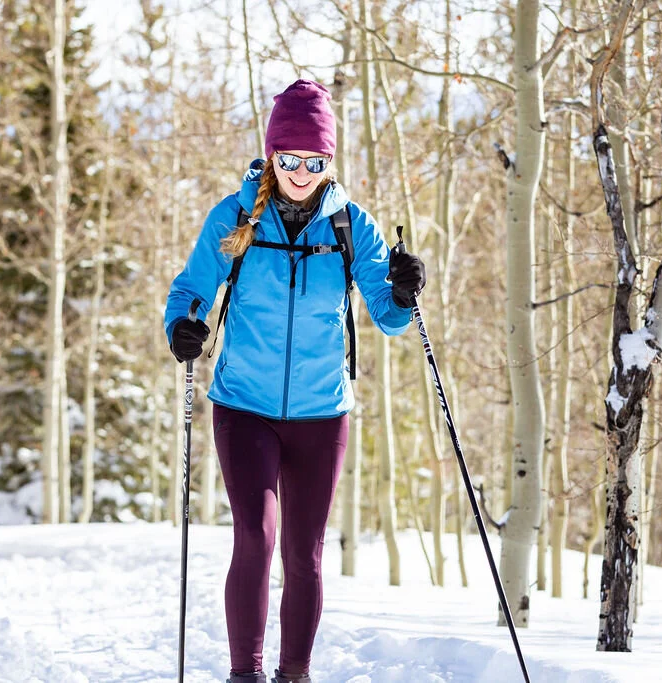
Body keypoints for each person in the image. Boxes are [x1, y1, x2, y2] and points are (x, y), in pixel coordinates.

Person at [164, 79, 426, 683]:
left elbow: (389, 317)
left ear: (328, 161)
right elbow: (192, 289)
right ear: (271, 156)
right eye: (289, 160)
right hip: (244, 406)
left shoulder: (351, 226)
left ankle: (294, 675)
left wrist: (405, 289)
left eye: (313, 161)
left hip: (321, 412)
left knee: (304, 555)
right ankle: (245, 674)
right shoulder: (236, 217)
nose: (301, 173)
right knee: (255, 538)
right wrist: (182, 326)